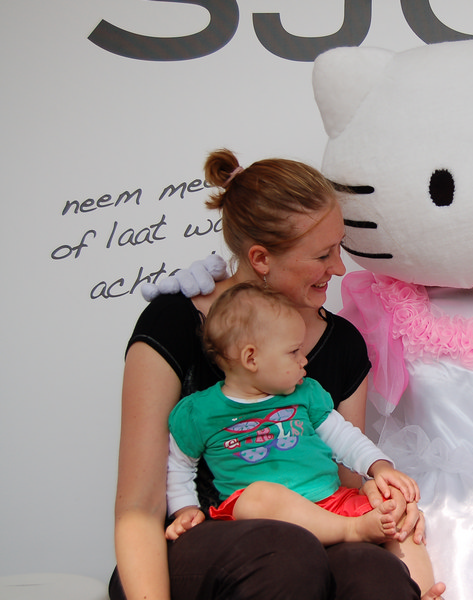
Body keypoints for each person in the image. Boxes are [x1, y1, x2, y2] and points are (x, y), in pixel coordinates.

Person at [111, 148, 445, 600]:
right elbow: (139, 507)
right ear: (261, 258)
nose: (339, 268)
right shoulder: (173, 321)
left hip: (320, 527)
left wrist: (384, 504)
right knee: (285, 552)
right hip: (208, 543)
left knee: (375, 572)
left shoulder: (342, 344)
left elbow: (343, 477)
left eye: (339, 247)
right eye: (323, 254)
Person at [165, 282, 442, 598]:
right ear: (251, 358)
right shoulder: (201, 412)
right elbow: (179, 465)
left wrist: (379, 467)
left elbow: (344, 437)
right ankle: (351, 531)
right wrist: (185, 509)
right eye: (293, 352)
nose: (304, 360)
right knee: (258, 495)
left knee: (396, 511)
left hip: (329, 501)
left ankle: (421, 592)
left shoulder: (305, 395)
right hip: (266, 520)